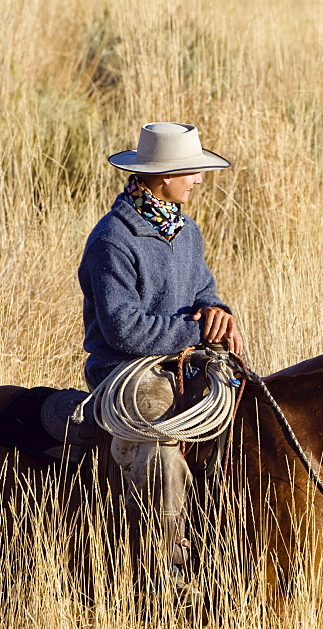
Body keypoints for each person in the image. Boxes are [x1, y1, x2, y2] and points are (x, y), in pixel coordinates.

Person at [78, 122, 243, 587]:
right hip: (124, 371)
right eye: (191, 171)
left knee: (252, 415)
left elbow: (203, 292)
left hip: (184, 362)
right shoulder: (113, 239)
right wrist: (191, 333)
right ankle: (166, 575)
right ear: (162, 177)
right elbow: (123, 329)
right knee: (160, 445)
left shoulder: (185, 231)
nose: (199, 179)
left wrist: (217, 314)